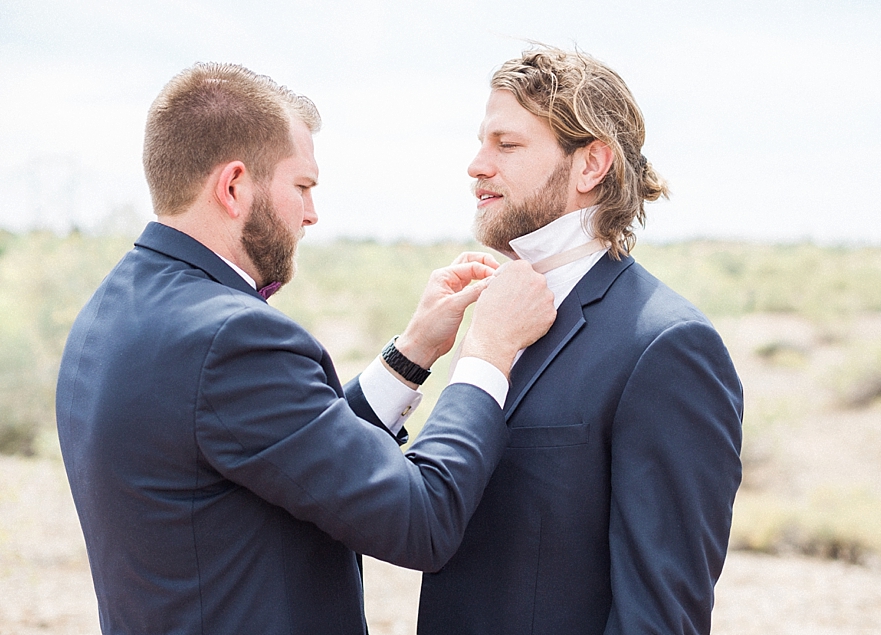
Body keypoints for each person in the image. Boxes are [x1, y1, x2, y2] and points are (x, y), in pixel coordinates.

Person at [55, 62, 556, 635]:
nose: (312, 214)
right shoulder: (230, 340)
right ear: (235, 186)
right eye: (302, 186)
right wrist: (487, 352)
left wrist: (411, 354)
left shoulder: (111, 310)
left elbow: (285, 450)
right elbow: (422, 519)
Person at [417, 47, 744, 634]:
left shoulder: (667, 347)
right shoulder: (499, 319)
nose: (476, 165)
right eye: (480, 142)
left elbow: (660, 616)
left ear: (591, 164)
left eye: (506, 145)